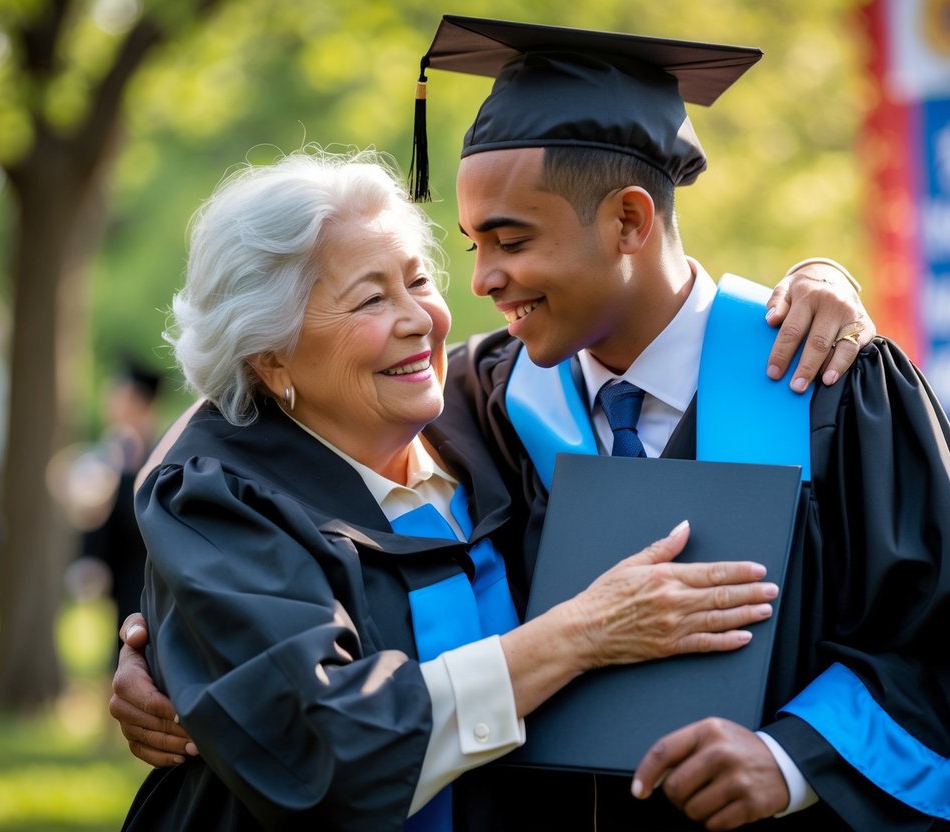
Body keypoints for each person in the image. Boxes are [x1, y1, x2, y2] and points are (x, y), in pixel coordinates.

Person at [432, 16, 950, 831]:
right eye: (472, 244)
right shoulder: (484, 400)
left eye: (509, 241)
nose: (482, 280)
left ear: (629, 222)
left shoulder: (829, 383)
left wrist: (792, 760)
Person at [118, 149, 794, 831]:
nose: (419, 319)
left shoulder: (485, 416)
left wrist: (817, 285)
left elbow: (659, 318)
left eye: (417, 281)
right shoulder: (223, 502)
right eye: (371, 299)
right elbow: (321, 751)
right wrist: (579, 634)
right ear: (270, 357)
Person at [81, 358, 162, 660]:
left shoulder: (163, 451)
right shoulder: (114, 453)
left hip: (151, 576)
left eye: (120, 398)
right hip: (123, 578)